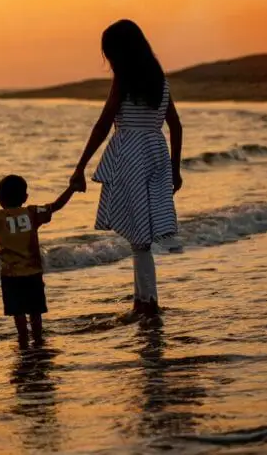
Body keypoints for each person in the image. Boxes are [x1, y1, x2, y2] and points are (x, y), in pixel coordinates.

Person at [69, 19, 184, 317]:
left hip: (131, 155)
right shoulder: (160, 79)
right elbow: (175, 125)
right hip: (155, 153)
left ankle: (146, 303)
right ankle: (144, 299)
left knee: (139, 238)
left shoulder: (124, 79)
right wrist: (174, 168)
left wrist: (80, 166)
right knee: (141, 234)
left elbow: (105, 123)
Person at [0, 175, 75, 347]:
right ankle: (38, 339)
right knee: (35, 310)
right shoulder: (31, 213)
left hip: (11, 275)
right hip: (33, 271)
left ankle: (23, 339)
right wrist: (71, 189)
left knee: (17, 311)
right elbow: (55, 206)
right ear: (25, 197)